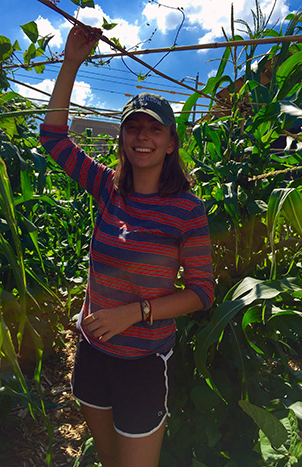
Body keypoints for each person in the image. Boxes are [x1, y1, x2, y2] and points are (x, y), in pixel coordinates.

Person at [40, 25, 214, 467]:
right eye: (132, 127)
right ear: (121, 139)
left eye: (154, 129)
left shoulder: (187, 211)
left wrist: (133, 314)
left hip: (143, 359)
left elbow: (201, 292)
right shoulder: (107, 187)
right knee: (109, 458)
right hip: (93, 350)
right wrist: (72, 62)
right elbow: (54, 137)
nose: (142, 136)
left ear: (171, 143)